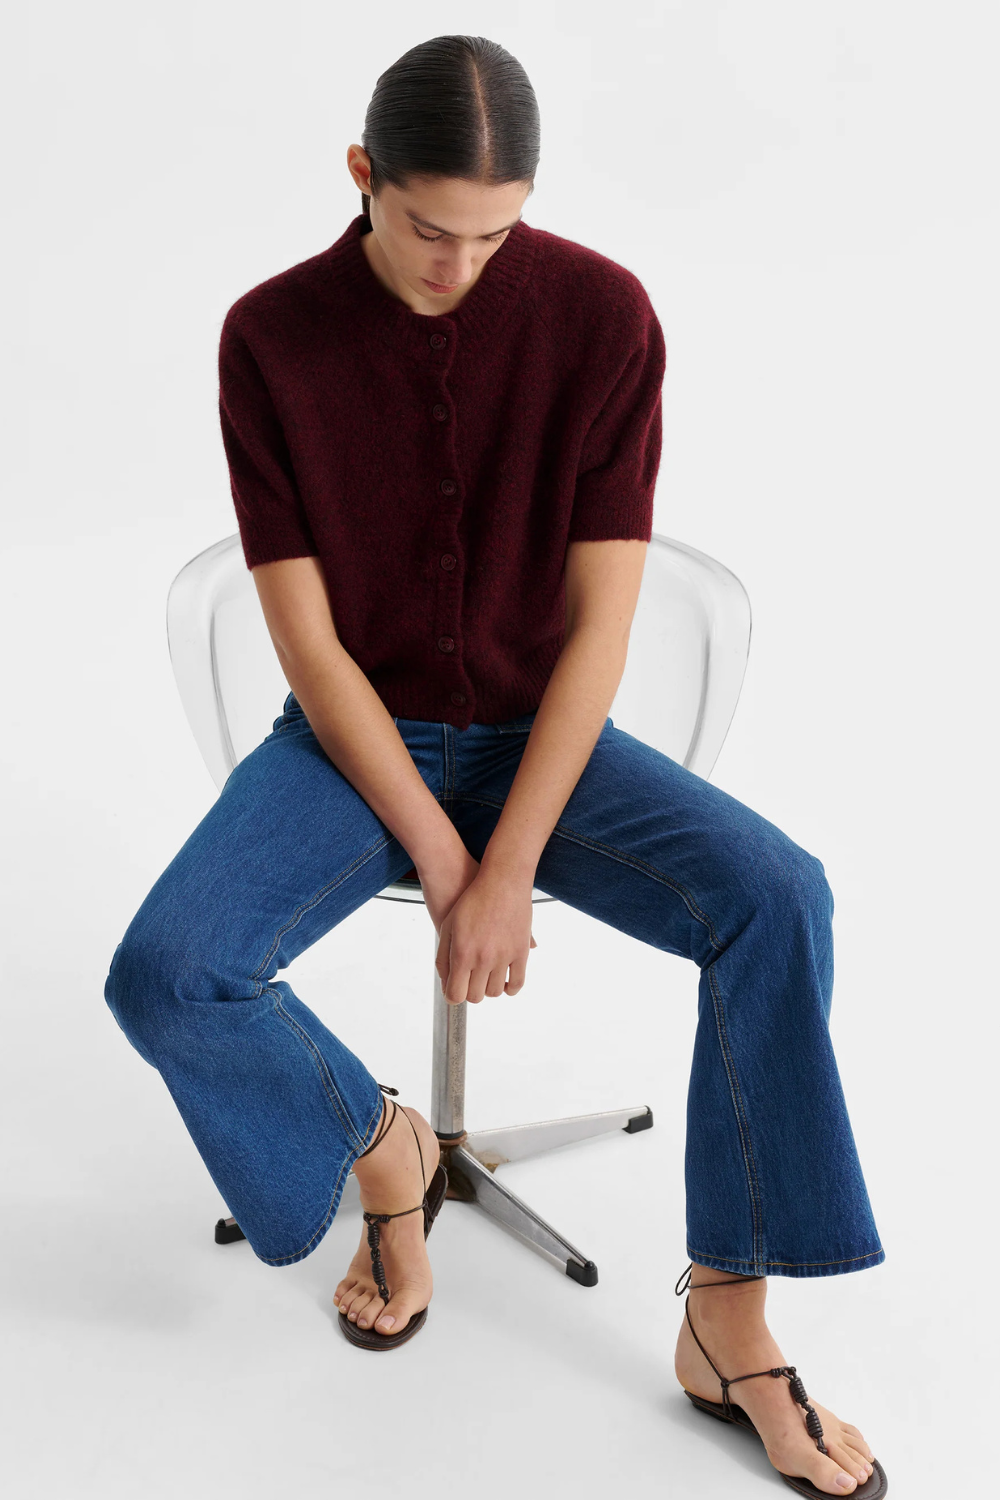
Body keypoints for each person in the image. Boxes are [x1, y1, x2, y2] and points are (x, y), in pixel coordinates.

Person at [103, 34, 885, 1497]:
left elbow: (602, 627)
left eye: (495, 234)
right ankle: (382, 1149)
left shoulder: (603, 317)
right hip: (355, 741)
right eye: (426, 228)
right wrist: (444, 854)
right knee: (166, 974)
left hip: (546, 741)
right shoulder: (271, 337)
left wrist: (509, 861)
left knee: (781, 896)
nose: (458, 266)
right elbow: (310, 649)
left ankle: (727, 1324)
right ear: (362, 176)